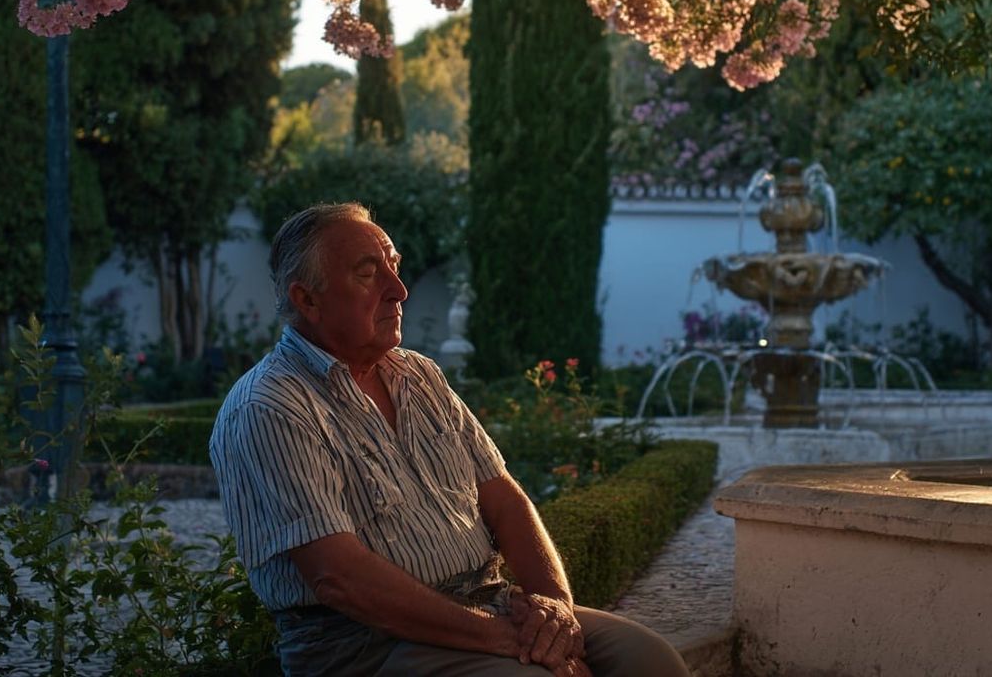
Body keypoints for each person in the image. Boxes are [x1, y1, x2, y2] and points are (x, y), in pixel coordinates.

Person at [209, 202, 691, 677]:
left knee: (651, 661)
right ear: (307, 299)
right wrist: (507, 641)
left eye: (394, 268)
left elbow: (505, 500)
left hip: (486, 603)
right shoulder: (270, 406)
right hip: (363, 645)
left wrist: (556, 614)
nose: (398, 291)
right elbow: (340, 578)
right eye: (367, 273)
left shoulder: (419, 376)